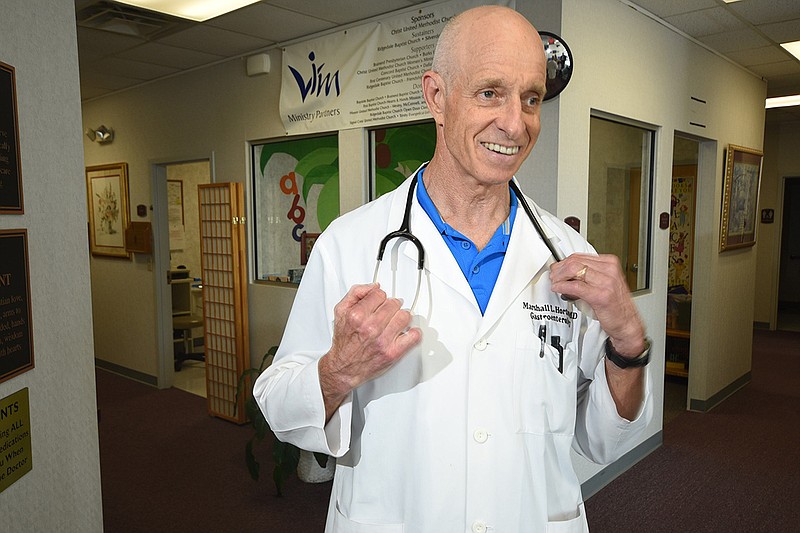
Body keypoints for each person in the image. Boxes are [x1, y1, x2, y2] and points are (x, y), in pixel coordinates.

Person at [254, 5, 652, 532]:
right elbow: (279, 408)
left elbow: (603, 438)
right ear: (437, 96)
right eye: (490, 92)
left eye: (531, 98)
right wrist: (340, 370)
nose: (515, 123)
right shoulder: (351, 246)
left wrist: (627, 342)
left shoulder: (567, 253)